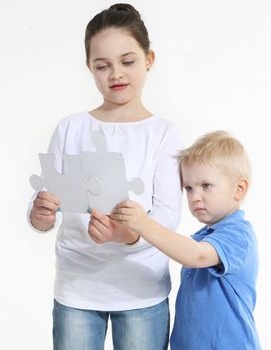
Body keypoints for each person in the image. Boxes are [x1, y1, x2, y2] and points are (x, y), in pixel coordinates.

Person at [27, 3, 182, 350]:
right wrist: (39, 215)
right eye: (102, 66)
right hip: (77, 289)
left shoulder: (163, 133)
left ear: (149, 60)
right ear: (89, 68)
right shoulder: (70, 128)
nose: (116, 74)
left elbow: (168, 216)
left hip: (141, 290)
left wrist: (128, 235)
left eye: (127, 61)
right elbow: (47, 199)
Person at [112, 130, 261, 349]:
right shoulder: (204, 236)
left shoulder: (238, 234)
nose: (194, 196)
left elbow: (197, 255)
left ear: (239, 189)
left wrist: (143, 224)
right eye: (188, 188)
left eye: (206, 186)